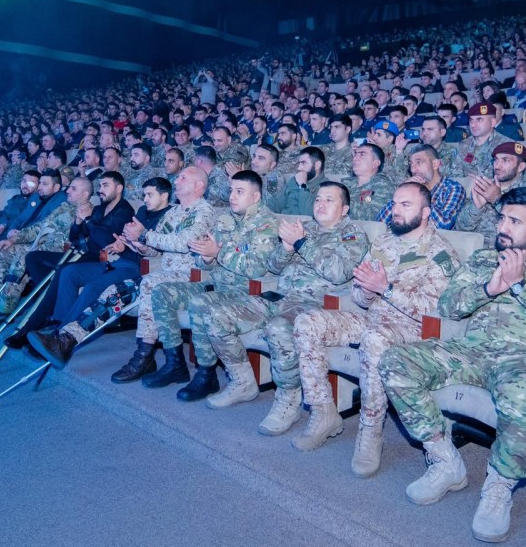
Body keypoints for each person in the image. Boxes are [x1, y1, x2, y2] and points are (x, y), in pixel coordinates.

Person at [378, 187, 526, 543]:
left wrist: (521, 285)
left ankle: (499, 486)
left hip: (522, 358)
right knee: (395, 360)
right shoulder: (481, 259)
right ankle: (445, 459)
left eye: (514, 221)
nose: (502, 226)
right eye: (501, 218)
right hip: (470, 351)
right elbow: (449, 306)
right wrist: (489, 290)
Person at [291, 183, 461, 478]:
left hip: (413, 331)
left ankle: (370, 429)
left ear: (425, 213)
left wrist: (386, 288)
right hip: (373, 319)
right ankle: (323, 412)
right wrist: (367, 293)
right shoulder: (383, 242)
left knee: (374, 339)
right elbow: (359, 294)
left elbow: (435, 312)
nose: (395, 209)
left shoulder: (441, 253)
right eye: (395, 203)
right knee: (308, 321)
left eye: (405, 205)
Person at [195, 181, 370, 414]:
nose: (321, 204)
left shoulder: (352, 235)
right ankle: (242, 381)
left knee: (278, 327)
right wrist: (287, 247)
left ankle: (288, 398)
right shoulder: (305, 227)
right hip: (279, 297)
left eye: (329, 200)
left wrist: (301, 243)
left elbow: (338, 274)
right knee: (217, 314)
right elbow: (274, 267)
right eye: (318, 199)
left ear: (345, 209)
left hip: (315, 307)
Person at [138, 170, 279, 401]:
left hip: (243, 292)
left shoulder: (267, 223)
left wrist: (218, 253)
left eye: (239, 192)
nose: (232, 196)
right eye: (232, 190)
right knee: (162, 291)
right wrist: (206, 258)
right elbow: (203, 261)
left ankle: (206, 374)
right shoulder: (224, 220)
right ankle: (174, 363)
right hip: (216, 284)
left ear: (256, 197)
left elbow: (256, 268)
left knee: (200, 302)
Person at [17, 176, 176, 361]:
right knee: (68, 272)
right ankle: (58, 327)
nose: (145, 199)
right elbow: (114, 238)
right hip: (116, 260)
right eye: (144, 194)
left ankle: (59, 340)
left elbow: (156, 248)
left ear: (164, 196)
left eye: (150, 195)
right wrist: (121, 244)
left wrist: (133, 242)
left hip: (137, 267)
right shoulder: (141, 210)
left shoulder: (168, 216)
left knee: (93, 286)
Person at [108, 166, 217, 383]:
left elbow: (184, 243)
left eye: (183, 177)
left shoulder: (204, 212)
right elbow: (156, 249)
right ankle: (68, 337)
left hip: (192, 276)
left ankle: (144, 356)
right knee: (115, 288)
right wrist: (139, 244)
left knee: (150, 283)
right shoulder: (173, 212)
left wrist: (146, 235)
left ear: (199, 186)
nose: (176, 181)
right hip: (168, 273)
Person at [0, 175, 92, 319]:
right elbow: (40, 227)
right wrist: (13, 240)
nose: (68, 191)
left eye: (73, 189)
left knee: (23, 257)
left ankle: (5, 307)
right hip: (40, 246)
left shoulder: (87, 212)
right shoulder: (65, 207)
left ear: (85, 194)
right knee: (0, 250)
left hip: (56, 251)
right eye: (69, 187)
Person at [454, 143, 526, 242]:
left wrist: (497, 200)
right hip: (478, 250)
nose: (497, 166)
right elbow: (460, 229)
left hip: (511, 252)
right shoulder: (485, 186)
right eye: (495, 160)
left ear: (521, 167)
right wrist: (476, 207)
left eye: (505, 160)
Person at [378, 144, 465, 230]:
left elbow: (444, 225)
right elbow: (381, 222)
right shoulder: (410, 188)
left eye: (418, 162)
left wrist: (422, 194)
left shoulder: (453, 188)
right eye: (411, 164)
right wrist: (403, 189)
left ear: (435, 164)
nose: (413, 169)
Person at [446, 103, 512, 179]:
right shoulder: (463, 144)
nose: (473, 125)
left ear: (493, 122)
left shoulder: (506, 146)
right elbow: (455, 173)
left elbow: (508, 178)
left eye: (479, 120)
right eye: (471, 120)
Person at [341, 143, 396, 222]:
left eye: (362, 155)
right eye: (355, 154)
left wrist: (338, 204)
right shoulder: (345, 183)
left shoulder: (384, 186)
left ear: (375, 163)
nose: (355, 158)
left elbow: (373, 217)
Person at [267, 146, 326, 216]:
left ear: (317, 165)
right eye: (299, 163)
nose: (299, 168)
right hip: (283, 220)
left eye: (303, 163)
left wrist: (303, 185)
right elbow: (276, 204)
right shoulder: (294, 180)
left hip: (303, 225)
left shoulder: (326, 187)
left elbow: (308, 214)